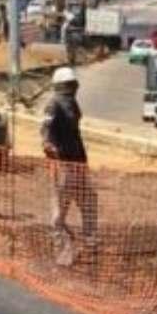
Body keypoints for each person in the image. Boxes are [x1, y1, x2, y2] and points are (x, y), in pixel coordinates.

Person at [42, 67, 96, 266]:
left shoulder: (73, 105)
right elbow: (46, 131)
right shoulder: (53, 105)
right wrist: (49, 147)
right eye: (70, 85)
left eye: (74, 85)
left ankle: (90, 243)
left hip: (78, 164)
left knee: (89, 202)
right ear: (61, 86)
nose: (73, 88)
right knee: (59, 213)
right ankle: (63, 250)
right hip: (63, 165)